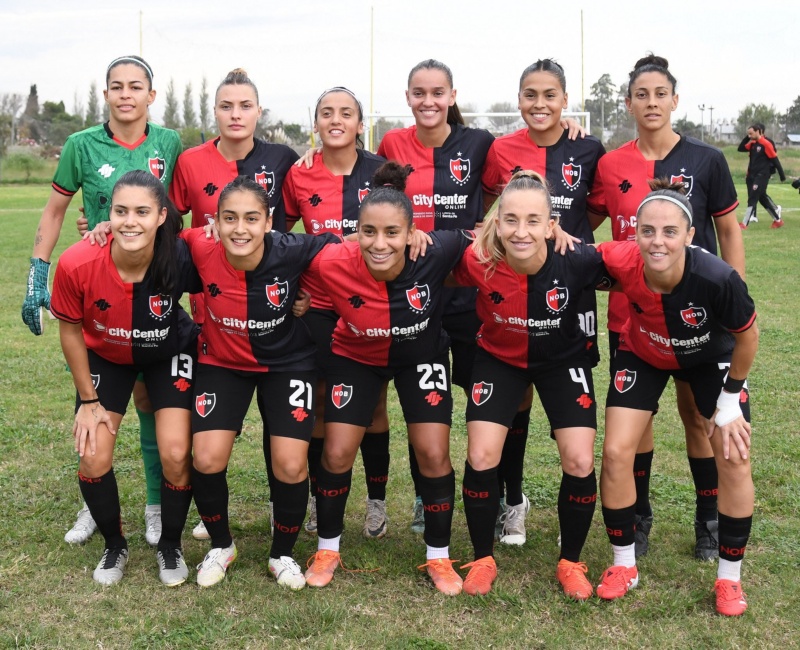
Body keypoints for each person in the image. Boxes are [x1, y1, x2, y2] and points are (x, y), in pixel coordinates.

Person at [21, 55, 182, 548]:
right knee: (91, 399)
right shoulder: (79, 145)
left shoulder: (169, 142)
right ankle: (92, 505)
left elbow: (180, 210)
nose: (126, 94)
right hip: (97, 285)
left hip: (152, 281)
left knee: (153, 400)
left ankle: (156, 503)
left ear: (151, 96)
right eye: (116, 86)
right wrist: (38, 271)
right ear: (106, 94)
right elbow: (55, 212)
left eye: (136, 86)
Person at [589, 54, 744, 560]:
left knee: (698, 418)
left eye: (660, 94)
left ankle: (709, 517)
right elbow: (585, 221)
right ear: (629, 102)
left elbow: (726, 230)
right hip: (631, 316)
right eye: (641, 94)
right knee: (636, 421)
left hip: (698, 317)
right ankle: (639, 517)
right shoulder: (610, 164)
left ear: (675, 100)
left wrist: (733, 293)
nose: (651, 102)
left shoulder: (707, 159)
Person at [303, 163, 472, 596]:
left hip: (422, 357)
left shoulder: (437, 249)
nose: (380, 244)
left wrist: (556, 231)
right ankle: (327, 548)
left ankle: (438, 556)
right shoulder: (331, 256)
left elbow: (493, 234)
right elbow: (273, 253)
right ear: (355, 231)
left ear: (412, 232)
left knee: (433, 452)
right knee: (338, 452)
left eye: (393, 232)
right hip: (355, 356)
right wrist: (298, 301)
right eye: (369, 232)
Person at [595, 182, 757, 617]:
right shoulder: (622, 258)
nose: (657, 241)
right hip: (643, 352)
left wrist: (727, 401)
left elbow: (748, 339)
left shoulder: (717, 277)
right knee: (614, 454)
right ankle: (624, 564)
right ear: (634, 234)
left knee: (734, 453)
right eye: (647, 231)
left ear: (689, 235)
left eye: (670, 231)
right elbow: (570, 255)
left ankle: (728, 578)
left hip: (709, 358)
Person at [453, 170, 612, 598]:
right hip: (499, 359)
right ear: (496, 221)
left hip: (563, 361)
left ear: (550, 225)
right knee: (482, 453)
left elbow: (637, 262)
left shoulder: (578, 257)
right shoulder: (477, 258)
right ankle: (483, 557)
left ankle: (571, 561)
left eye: (532, 221)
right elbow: (428, 254)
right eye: (510, 220)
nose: (520, 232)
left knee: (579, 460)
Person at [183, 176, 339, 590]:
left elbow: (343, 243)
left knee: (290, 463)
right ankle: (222, 545)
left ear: (269, 222)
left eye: (252, 218)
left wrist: (305, 290)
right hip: (222, 362)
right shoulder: (199, 244)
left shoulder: (292, 248)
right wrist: (105, 227)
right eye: (229, 218)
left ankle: (281, 553)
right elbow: (150, 234)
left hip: (288, 363)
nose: (240, 228)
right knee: (206, 459)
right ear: (214, 222)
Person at [169, 68, 300, 542]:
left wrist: (300, 285)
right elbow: (168, 226)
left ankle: (275, 503)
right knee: (218, 425)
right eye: (227, 106)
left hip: (271, 312)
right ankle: (212, 514)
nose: (236, 114)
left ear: (258, 111)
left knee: (279, 424)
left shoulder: (283, 158)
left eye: (245, 105)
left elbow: (302, 223)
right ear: (216, 112)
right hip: (215, 314)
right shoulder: (190, 162)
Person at [49, 170, 197, 586]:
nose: (130, 221)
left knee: (174, 453)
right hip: (107, 357)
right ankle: (115, 545)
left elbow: (229, 266)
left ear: (161, 216)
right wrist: (88, 401)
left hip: (168, 353)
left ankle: (170, 544)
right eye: (120, 211)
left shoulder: (180, 255)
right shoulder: (78, 262)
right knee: (94, 455)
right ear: (107, 214)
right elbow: (71, 330)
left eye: (142, 211)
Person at [481, 59, 605, 546]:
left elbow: (595, 207)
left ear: (565, 100)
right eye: (530, 95)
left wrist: (565, 236)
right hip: (512, 281)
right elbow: (492, 202)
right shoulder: (500, 149)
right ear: (518, 100)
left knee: (559, 374)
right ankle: (513, 500)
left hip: (567, 288)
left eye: (550, 95)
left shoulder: (587, 147)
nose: (540, 104)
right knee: (514, 396)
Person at [283, 87, 389, 539]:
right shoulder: (300, 173)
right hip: (318, 308)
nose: (336, 120)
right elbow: (278, 238)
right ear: (316, 124)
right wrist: (290, 293)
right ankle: (314, 499)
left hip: (371, 306)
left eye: (346, 113)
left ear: (360, 124)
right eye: (327, 113)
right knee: (322, 403)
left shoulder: (381, 170)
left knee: (374, 407)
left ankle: (377, 501)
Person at [738, 122, 786, 229]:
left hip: (762, 175)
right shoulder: (752, 144)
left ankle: (744, 223)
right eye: (748, 134)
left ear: (758, 132)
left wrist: (782, 175)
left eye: (751, 134)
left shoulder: (766, 144)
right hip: (752, 175)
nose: (749, 136)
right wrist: (748, 137)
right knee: (762, 198)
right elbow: (740, 148)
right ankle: (778, 220)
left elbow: (775, 160)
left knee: (752, 197)